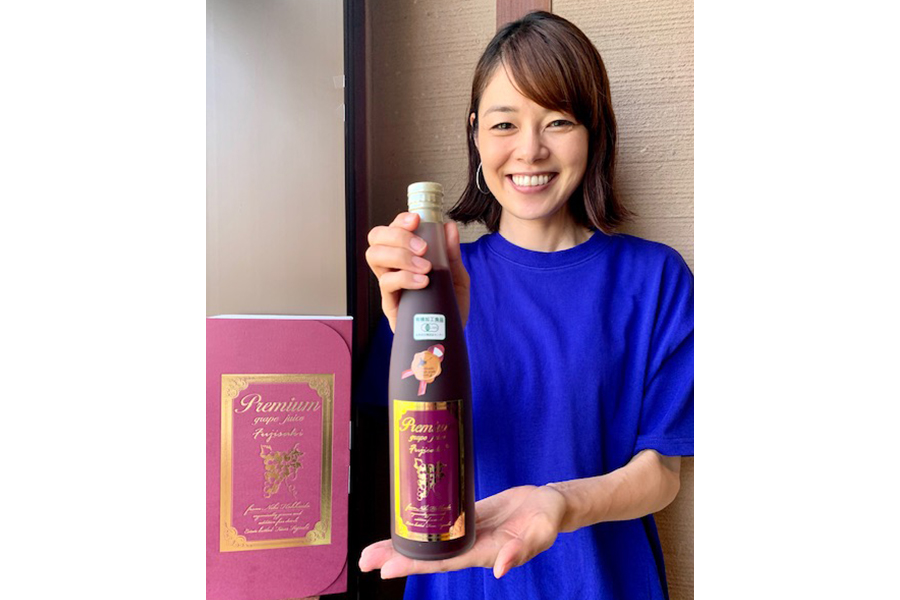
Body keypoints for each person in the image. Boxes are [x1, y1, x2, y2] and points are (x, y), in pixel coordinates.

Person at [360, 11, 693, 600]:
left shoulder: (655, 279)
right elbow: (390, 454)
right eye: (505, 124)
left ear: (593, 131)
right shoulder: (426, 285)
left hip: (603, 586)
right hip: (459, 583)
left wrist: (561, 502)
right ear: (476, 134)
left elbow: (662, 473)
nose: (530, 150)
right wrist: (413, 339)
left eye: (558, 121)